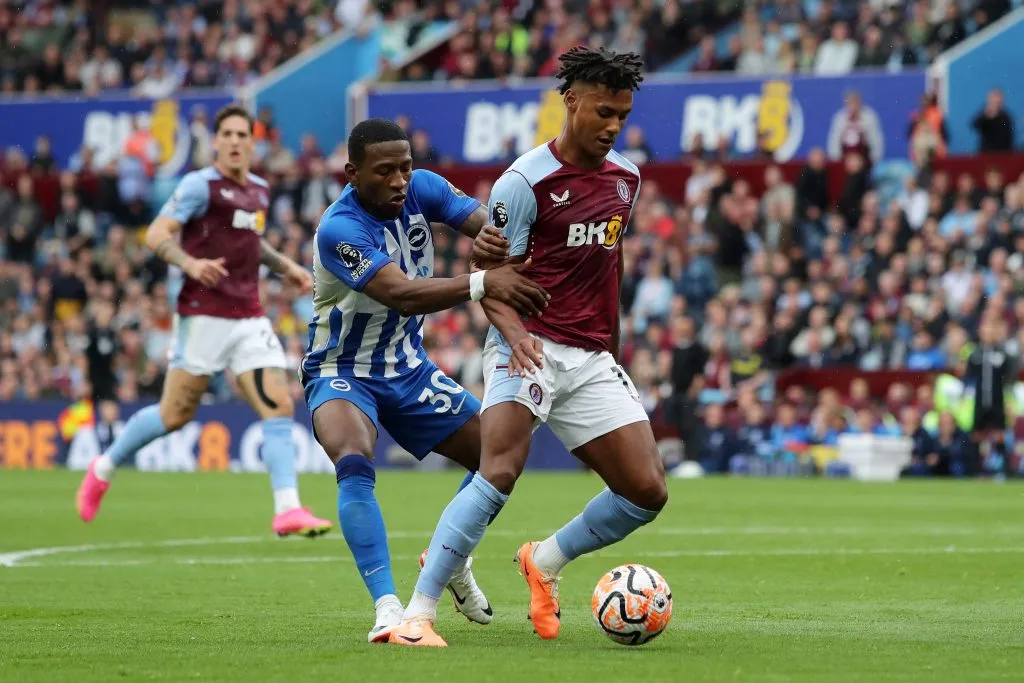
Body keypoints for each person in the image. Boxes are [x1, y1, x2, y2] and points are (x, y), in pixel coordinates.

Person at [389, 46, 667, 647]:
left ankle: (543, 560)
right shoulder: (524, 182)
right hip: (528, 343)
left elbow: (606, 273)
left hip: (590, 356)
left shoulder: (627, 179)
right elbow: (488, 279)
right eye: (602, 112)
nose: (613, 125)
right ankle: (417, 614)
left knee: (646, 491)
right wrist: (515, 338)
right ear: (570, 102)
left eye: (621, 114)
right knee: (499, 470)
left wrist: (610, 351)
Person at [301, 118, 549, 643]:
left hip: (408, 369)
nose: (399, 181)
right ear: (353, 173)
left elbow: (493, 234)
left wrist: (500, 242)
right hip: (342, 370)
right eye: (384, 171)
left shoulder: (425, 189)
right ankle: (389, 607)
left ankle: (449, 557)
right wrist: (483, 280)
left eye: (405, 168)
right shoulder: (339, 229)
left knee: (499, 453)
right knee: (353, 459)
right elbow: (403, 293)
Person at [75, 104, 333, 539]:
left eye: (242, 135)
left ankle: (287, 508)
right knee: (173, 415)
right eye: (227, 134)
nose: (235, 141)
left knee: (278, 402)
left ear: (253, 143)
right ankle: (103, 467)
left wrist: (283, 264)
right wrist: (190, 264)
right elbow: (157, 235)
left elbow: (249, 242)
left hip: (248, 315)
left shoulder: (258, 190)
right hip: (203, 316)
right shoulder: (199, 186)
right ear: (216, 142)